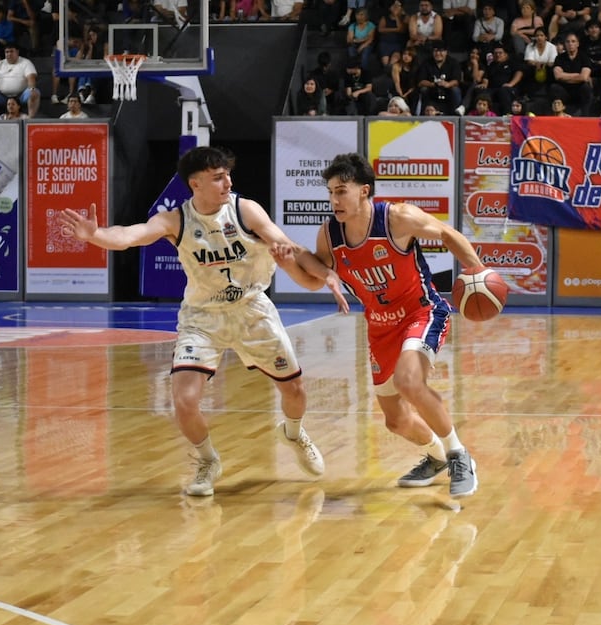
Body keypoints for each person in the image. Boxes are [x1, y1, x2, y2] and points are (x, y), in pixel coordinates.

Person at [57, 146, 348, 497]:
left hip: (252, 309)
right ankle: (208, 460)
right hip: (203, 317)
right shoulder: (176, 220)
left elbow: (292, 248)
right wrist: (95, 236)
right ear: (195, 184)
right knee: (183, 399)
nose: (227, 182)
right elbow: (129, 236)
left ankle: (293, 431)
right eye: (217, 177)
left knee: (295, 392)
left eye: (227, 174)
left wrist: (326, 275)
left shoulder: (245, 210)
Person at [295, 152, 482, 498]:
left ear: (364, 191)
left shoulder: (396, 218)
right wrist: (304, 262)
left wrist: (478, 270)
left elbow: (446, 233)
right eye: (331, 192)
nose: (334, 199)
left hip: (421, 312)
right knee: (395, 421)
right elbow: (314, 272)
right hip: (379, 326)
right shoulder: (329, 234)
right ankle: (436, 457)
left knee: (409, 381)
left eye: (342, 191)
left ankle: (459, 455)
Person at [0, 44, 40, 118]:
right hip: (2, 97)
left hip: (20, 96)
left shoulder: (25, 62)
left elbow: (31, 78)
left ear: (17, 52)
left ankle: (30, 119)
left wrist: (32, 88)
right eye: (7, 52)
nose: (9, 54)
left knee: (35, 92)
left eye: (11, 51)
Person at [551, 31, 594, 116]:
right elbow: (558, 76)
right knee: (554, 87)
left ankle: (585, 117)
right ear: (565, 44)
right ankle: (559, 116)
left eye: (573, 41)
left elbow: (584, 77)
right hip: (565, 89)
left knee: (586, 88)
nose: (570, 44)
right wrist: (577, 75)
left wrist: (565, 76)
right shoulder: (559, 58)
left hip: (579, 89)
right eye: (568, 42)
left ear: (578, 44)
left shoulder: (584, 57)